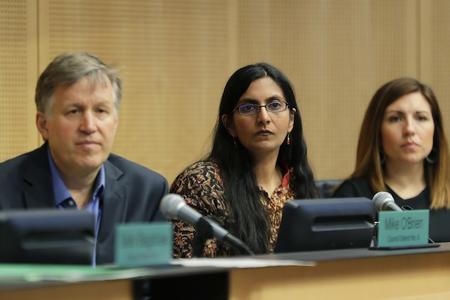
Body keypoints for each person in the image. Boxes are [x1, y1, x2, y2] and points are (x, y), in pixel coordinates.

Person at [0, 52, 168, 264]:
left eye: (101, 111)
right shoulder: (4, 190)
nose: (89, 126)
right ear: (43, 125)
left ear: (115, 121)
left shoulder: (146, 192)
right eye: (74, 111)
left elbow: (150, 285)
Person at [170, 63, 318, 258]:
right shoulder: (201, 183)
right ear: (229, 124)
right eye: (248, 107)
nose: (263, 117)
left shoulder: (299, 183)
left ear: (291, 120)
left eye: (274, 105)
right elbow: (185, 268)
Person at [334, 77, 450, 210]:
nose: (409, 129)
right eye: (395, 118)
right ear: (377, 132)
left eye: (421, 118)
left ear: (436, 131)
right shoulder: (351, 197)